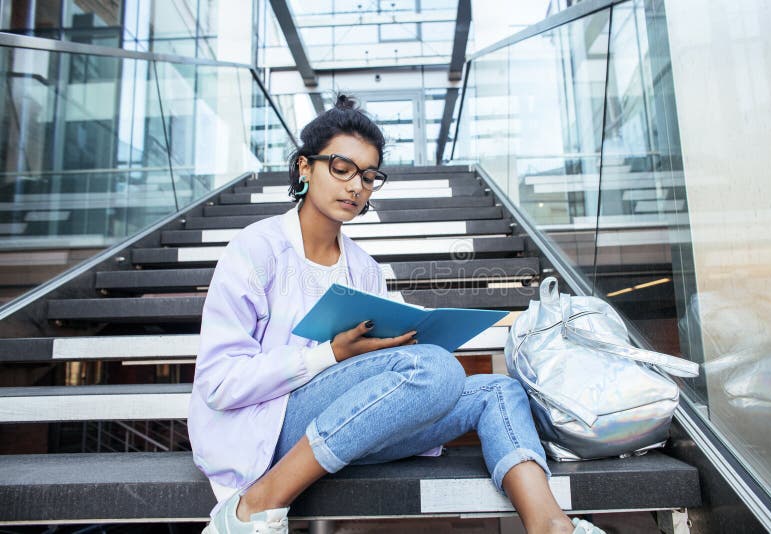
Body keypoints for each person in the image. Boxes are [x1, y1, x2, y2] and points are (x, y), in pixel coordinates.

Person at [188, 95, 604, 534]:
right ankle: (257, 504)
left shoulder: (364, 268)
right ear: (304, 168)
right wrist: (329, 354)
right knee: (437, 370)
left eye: (368, 177)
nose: (356, 187)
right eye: (342, 168)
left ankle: (552, 527)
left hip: (353, 419)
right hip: (266, 425)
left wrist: (406, 341)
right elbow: (218, 383)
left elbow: (383, 367)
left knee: (498, 391)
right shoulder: (257, 249)